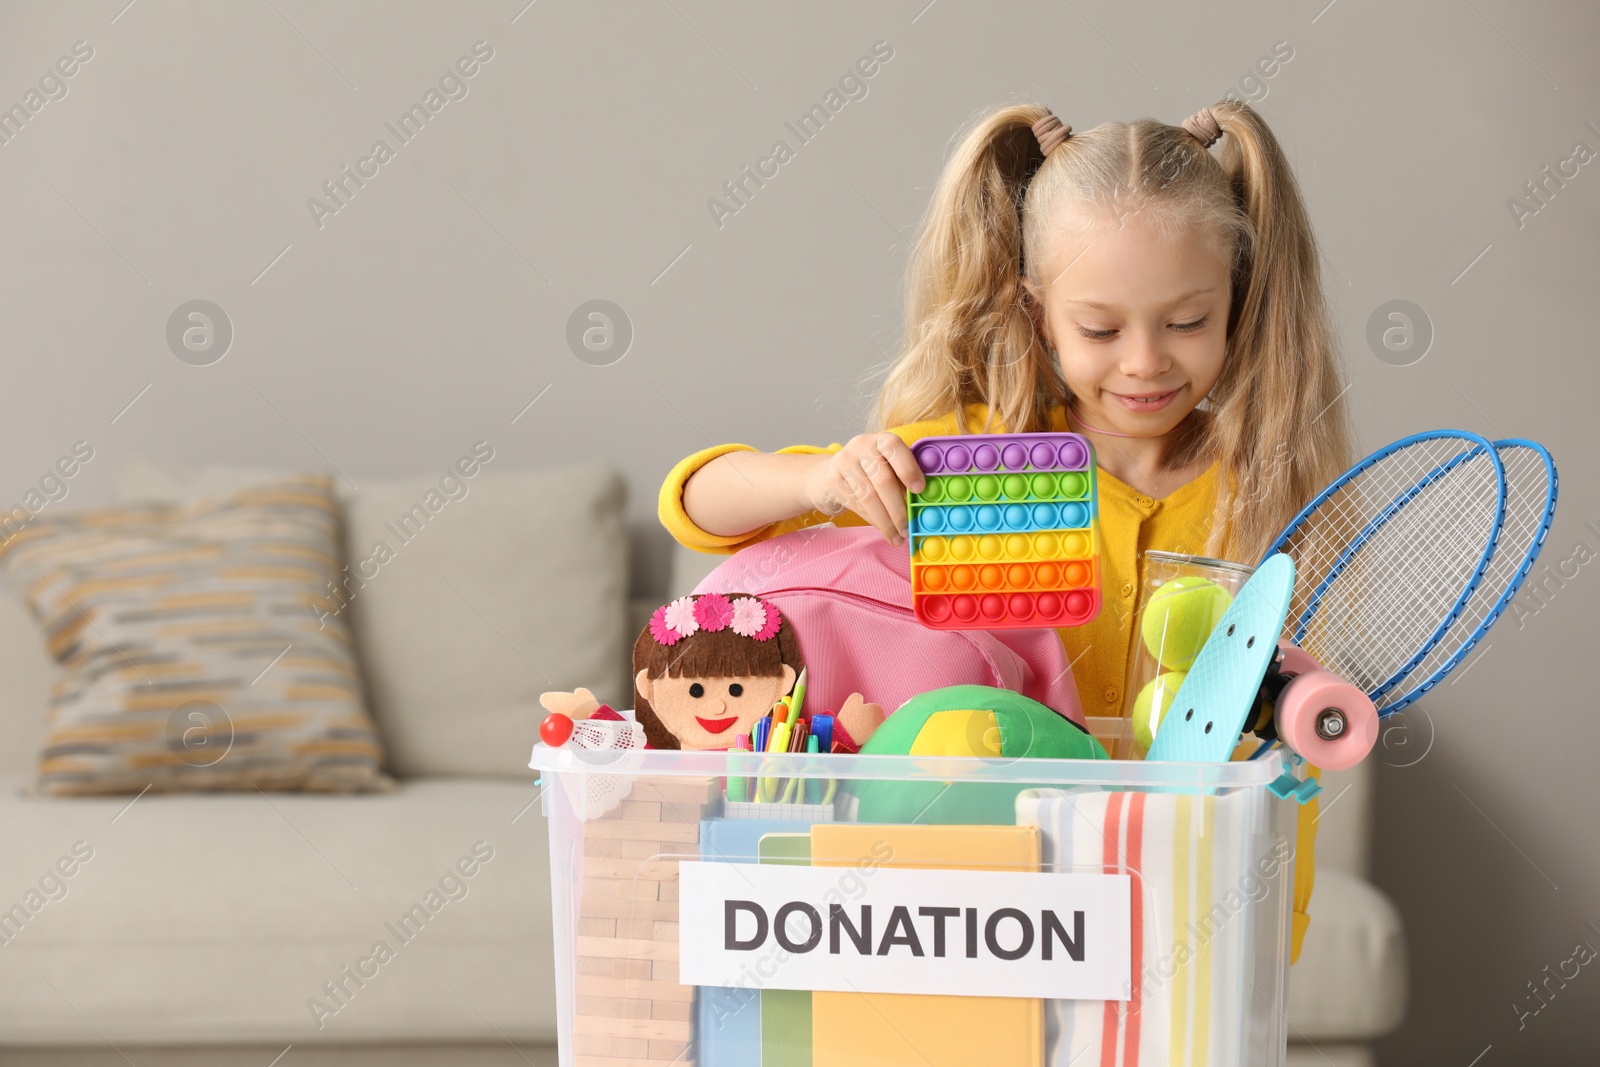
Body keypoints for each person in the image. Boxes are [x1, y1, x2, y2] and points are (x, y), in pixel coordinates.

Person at [657, 101, 1354, 963]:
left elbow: (1283, 745)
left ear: (1238, 300)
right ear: (1037, 309)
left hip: (1182, 899)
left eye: (1186, 322)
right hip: (987, 908)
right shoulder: (973, 461)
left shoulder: (1267, 487)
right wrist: (819, 475)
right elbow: (698, 502)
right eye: (1100, 328)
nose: (1144, 361)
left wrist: (1268, 925)